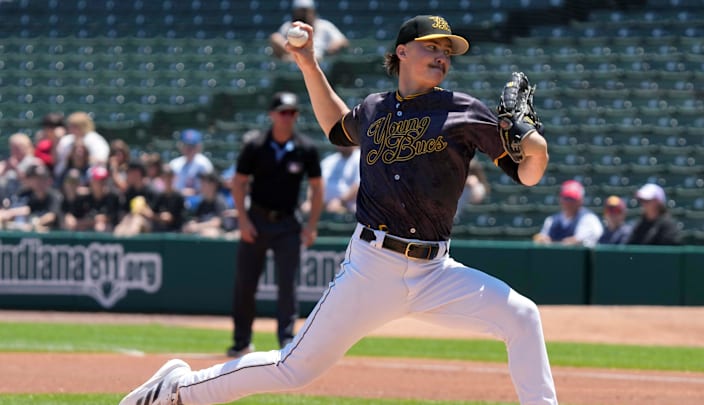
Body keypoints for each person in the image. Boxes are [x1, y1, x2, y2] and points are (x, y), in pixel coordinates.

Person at [120, 15, 558, 405]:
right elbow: (335, 128)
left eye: (446, 51)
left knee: (522, 316)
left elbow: (528, 174)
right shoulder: (374, 109)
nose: (441, 56)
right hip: (373, 265)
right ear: (401, 52)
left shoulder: (465, 111)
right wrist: (308, 63)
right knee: (293, 368)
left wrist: (533, 142)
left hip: (436, 271)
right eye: (431, 46)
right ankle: (180, 390)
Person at [226, 91, 324, 357]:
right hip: (256, 220)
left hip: (288, 223)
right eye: (282, 112)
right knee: (245, 284)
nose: (287, 117)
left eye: (292, 113)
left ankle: (286, 341)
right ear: (271, 115)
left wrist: (312, 225)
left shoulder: (306, 148)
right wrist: (243, 220)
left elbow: (317, 187)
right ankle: (241, 341)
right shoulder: (255, 146)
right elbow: (238, 183)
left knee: (287, 285)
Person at [269, 0, 349, 61]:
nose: (302, 14)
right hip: (293, 60)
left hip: (319, 60)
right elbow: (275, 38)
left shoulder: (324, 25)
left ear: (312, 11)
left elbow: (343, 41)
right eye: (300, 11)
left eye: (305, 11)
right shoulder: (288, 26)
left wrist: (330, 49)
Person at [533, 179, 603, 247]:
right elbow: (541, 240)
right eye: (566, 198)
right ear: (560, 199)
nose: (568, 203)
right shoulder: (551, 220)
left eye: (572, 199)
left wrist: (551, 244)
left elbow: (578, 242)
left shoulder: (589, 219)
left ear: (580, 201)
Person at [53, 111, 110, 180]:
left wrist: (82, 158)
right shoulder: (67, 139)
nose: (70, 128)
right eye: (70, 126)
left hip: (89, 172)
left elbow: (102, 160)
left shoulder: (95, 139)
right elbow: (58, 159)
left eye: (74, 126)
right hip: (67, 174)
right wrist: (56, 141)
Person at [307, 144, 360, 214]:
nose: (342, 143)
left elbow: (359, 185)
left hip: (348, 205)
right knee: (307, 207)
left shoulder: (360, 157)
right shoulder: (329, 160)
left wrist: (340, 201)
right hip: (324, 204)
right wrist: (310, 200)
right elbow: (315, 182)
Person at [113, 161, 156, 236]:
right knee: (120, 228)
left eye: (128, 172)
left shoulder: (152, 191)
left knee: (136, 221)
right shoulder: (129, 192)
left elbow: (154, 215)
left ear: (137, 173)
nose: (126, 175)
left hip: (149, 226)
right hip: (130, 220)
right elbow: (124, 211)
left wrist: (144, 211)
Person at [168, 129, 214, 198]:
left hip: (199, 201)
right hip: (177, 200)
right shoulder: (174, 164)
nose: (189, 149)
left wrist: (193, 192)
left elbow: (210, 188)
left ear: (198, 147)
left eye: (192, 146)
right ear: (181, 146)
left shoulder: (204, 164)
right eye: (186, 145)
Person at [182, 171, 228, 238]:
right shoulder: (202, 203)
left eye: (204, 182)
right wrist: (191, 224)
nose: (201, 185)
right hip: (202, 232)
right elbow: (197, 219)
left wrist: (197, 227)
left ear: (213, 185)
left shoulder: (220, 201)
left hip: (221, 236)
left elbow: (217, 223)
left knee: (210, 233)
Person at [150, 164, 186, 233]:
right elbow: (153, 213)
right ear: (162, 179)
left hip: (175, 232)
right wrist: (160, 217)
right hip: (158, 232)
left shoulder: (179, 197)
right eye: (165, 177)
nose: (168, 179)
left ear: (174, 178)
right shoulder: (159, 196)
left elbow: (177, 218)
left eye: (170, 177)